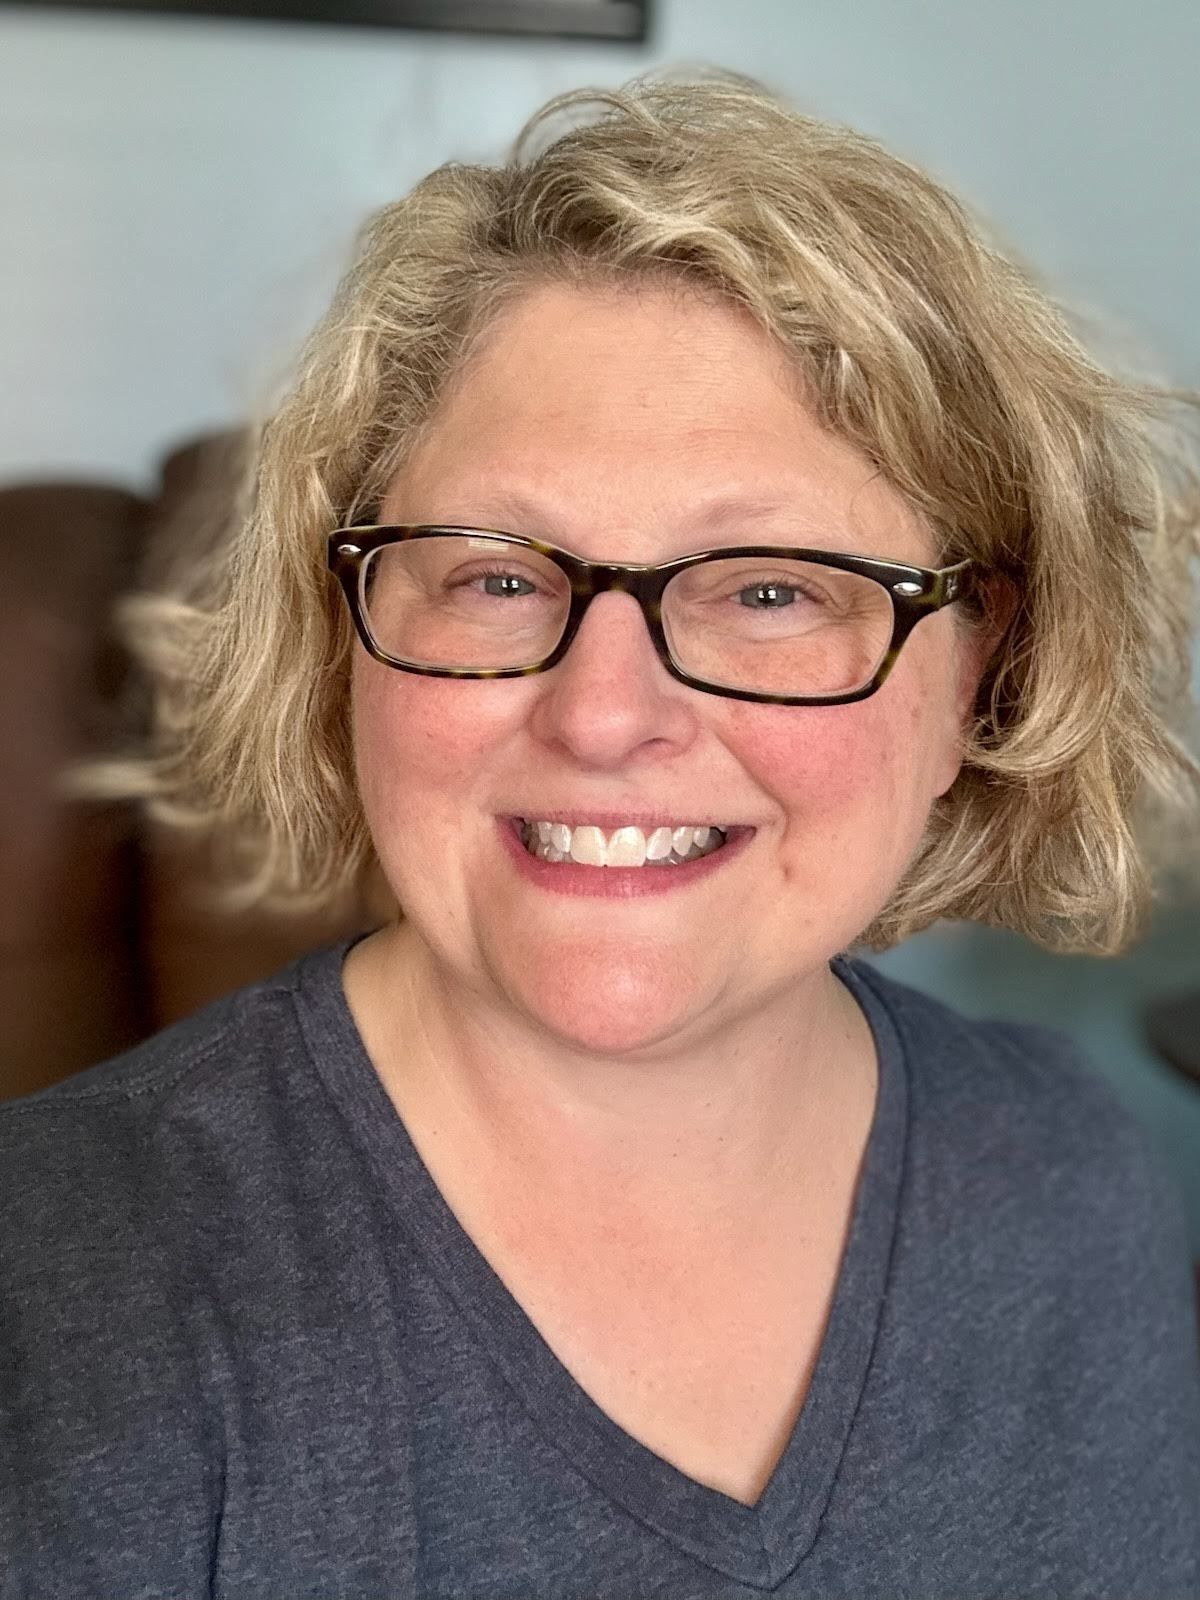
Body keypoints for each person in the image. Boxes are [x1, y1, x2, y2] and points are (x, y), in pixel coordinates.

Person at [2, 72, 1198, 1600]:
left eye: (772, 588)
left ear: (981, 665)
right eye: (497, 576)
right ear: (343, 636)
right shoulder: (58, 1297)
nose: (603, 715)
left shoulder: (1067, 1176)